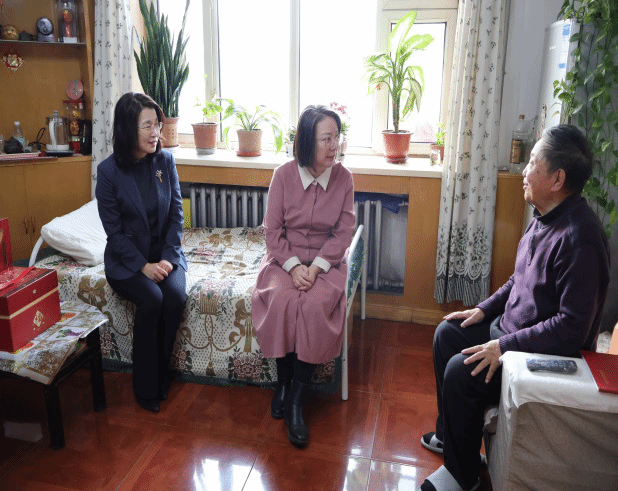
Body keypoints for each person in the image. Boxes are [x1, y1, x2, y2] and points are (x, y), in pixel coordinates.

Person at [419, 124, 610, 491]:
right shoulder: (544, 216)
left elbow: (571, 328)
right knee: (448, 334)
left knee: (460, 371)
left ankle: (462, 478)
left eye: (532, 163)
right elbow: (518, 280)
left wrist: (504, 346)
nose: (524, 171)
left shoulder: (580, 239)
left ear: (557, 178)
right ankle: (452, 440)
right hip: (510, 332)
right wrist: (483, 309)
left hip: (541, 355)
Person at [251, 105, 355, 447]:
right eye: (326, 139)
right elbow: (272, 231)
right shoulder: (283, 175)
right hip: (285, 260)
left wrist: (317, 267)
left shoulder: (344, 178)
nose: (333, 146)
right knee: (280, 300)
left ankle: (297, 399)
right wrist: (294, 266)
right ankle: (281, 383)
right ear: (307, 142)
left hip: (326, 262)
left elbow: (343, 233)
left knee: (313, 306)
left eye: (336, 138)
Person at [96, 92, 187, 413]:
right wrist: (143, 267)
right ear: (126, 129)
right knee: (152, 298)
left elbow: (176, 216)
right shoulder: (108, 172)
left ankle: (161, 374)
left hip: (165, 254)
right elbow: (114, 233)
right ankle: (145, 386)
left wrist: (168, 258)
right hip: (127, 262)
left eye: (157, 125)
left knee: (174, 297)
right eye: (147, 126)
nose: (155, 133)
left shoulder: (165, 161)